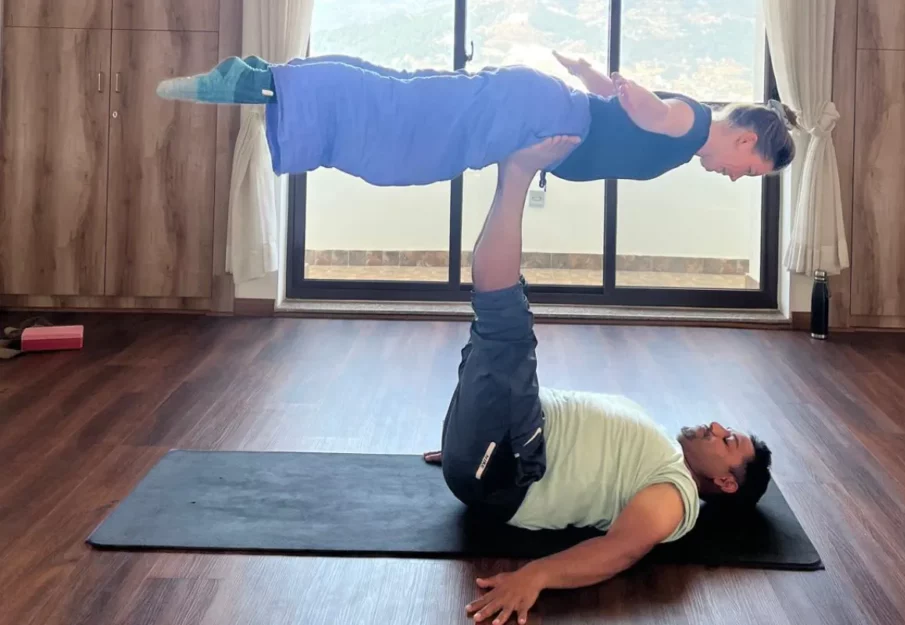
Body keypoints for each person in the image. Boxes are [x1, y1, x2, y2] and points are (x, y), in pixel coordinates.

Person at [422, 135, 772, 625]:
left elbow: (620, 550)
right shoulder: (660, 450)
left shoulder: (674, 493)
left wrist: (535, 576)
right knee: (498, 323)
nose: (715, 426)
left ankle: (518, 170)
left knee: (503, 320)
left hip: (506, 467)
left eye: (727, 440)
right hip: (497, 442)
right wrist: (470, 436)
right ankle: (516, 171)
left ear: (725, 483)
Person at [155, 51, 799, 187]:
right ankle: (256, 81)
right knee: (400, 137)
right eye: (750, 170)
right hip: (534, 112)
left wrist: (588, 74)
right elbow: (642, 108)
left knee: (404, 102)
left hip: (535, 107)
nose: (737, 178)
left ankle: (266, 80)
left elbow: (619, 105)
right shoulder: (690, 126)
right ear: (746, 138)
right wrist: (624, 90)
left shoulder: (686, 133)